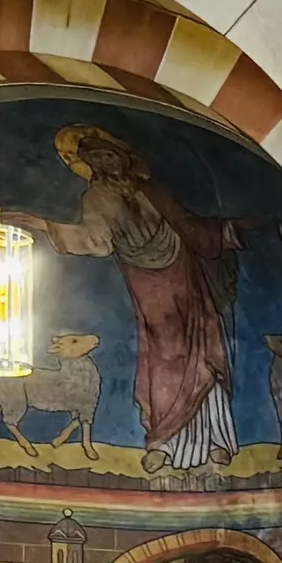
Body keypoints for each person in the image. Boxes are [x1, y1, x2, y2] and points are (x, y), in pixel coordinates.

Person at [29, 123, 243, 473]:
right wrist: (44, 225)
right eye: (94, 157)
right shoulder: (95, 198)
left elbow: (186, 223)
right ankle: (163, 441)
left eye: (107, 153)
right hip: (144, 282)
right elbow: (95, 240)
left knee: (201, 349)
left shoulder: (151, 190)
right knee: (161, 357)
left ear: (123, 157)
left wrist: (229, 231)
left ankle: (217, 439)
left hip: (182, 273)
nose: (103, 161)